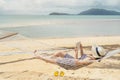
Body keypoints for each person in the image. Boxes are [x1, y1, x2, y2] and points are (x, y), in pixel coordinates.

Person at [34, 42, 106, 70]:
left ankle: (39, 57)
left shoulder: (89, 60)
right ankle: (48, 59)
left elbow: (76, 61)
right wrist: (81, 47)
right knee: (60, 53)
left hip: (72, 65)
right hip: (75, 61)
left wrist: (76, 52)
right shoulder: (92, 57)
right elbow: (82, 56)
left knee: (56, 60)